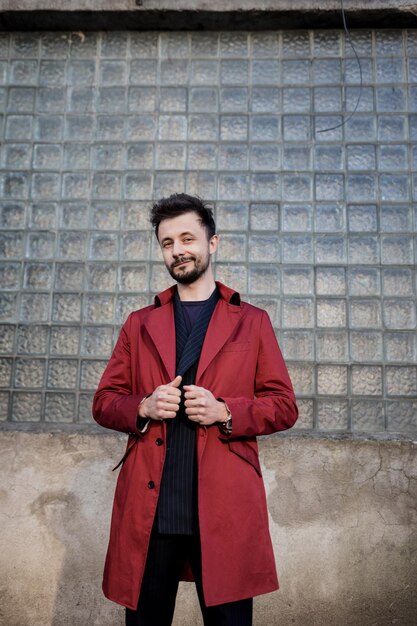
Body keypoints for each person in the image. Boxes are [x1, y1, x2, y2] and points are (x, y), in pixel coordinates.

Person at [93, 193, 298, 626]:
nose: (178, 250)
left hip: (223, 512)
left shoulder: (252, 321)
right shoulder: (139, 322)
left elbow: (283, 406)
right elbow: (105, 403)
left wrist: (226, 411)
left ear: (213, 243)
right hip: (151, 513)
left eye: (187, 238)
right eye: (167, 243)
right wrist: (144, 406)